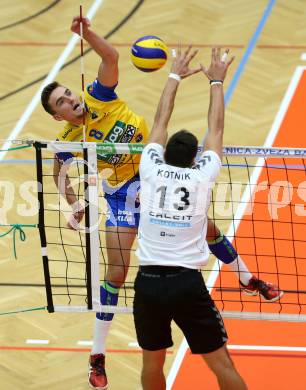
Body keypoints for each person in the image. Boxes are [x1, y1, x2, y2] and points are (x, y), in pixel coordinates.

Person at [40, 17, 281, 390]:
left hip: (156, 176)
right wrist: (74, 205)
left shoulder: (98, 96)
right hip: (124, 194)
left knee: (211, 229)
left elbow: (111, 56)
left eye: (69, 93)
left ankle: (248, 277)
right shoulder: (70, 138)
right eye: (63, 103)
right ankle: (97, 354)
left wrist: (86, 34)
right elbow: (58, 172)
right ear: (58, 116)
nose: (71, 100)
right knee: (116, 273)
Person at [133, 46, 247, 390]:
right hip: (186, 284)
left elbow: (159, 122)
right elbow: (217, 128)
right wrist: (216, 81)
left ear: (164, 152)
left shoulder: (150, 169)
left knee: (151, 363)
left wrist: (173, 75)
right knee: (222, 365)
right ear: (195, 157)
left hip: (149, 282)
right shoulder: (203, 175)